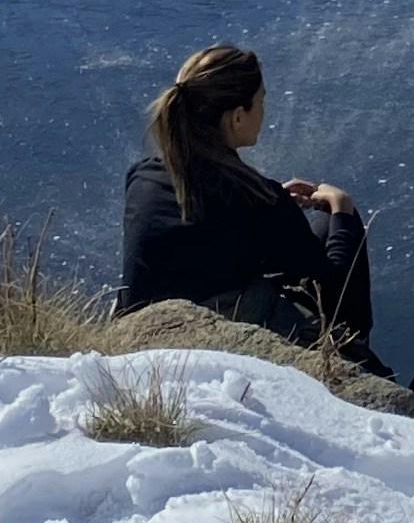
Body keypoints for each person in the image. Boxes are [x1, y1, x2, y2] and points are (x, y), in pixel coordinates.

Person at [116, 44, 377, 364]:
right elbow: (338, 292)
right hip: (209, 345)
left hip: (135, 338)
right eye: (261, 102)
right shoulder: (257, 202)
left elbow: (203, 227)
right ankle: (354, 355)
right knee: (330, 224)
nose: (264, 112)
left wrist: (277, 205)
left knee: (313, 232)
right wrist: (343, 210)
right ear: (238, 117)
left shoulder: (144, 176)